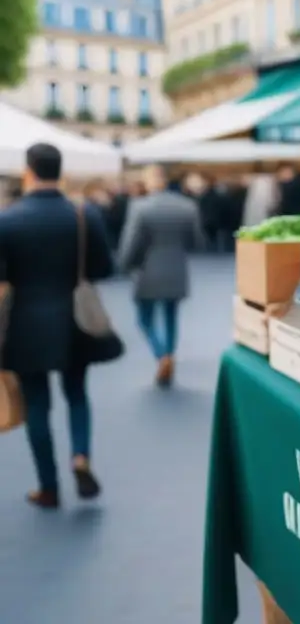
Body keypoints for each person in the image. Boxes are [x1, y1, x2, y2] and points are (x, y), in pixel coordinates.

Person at [0, 143, 114, 509]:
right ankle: (80, 456)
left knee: (37, 405)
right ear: (60, 172)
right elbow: (104, 269)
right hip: (74, 320)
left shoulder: (7, 219)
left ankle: (47, 487)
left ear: (28, 171)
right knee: (77, 394)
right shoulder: (83, 214)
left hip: (25, 322)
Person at [118, 165, 204, 387]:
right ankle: (170, 353)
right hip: (176, 268)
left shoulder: (139, 207)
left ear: (148, 182)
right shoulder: (187, 206)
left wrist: (124, 265)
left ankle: (161, 355)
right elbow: (196, 241)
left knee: (144, 318)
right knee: (171, 315)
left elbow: (131, 242)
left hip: (147, 269)